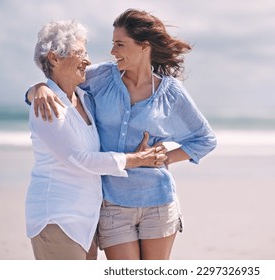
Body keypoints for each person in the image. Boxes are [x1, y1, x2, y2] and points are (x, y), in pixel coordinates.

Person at [26, 9, 217, 260]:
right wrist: (36, 88)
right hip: (113, 204)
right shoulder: (101, 77)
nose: (113, 51)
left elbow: (205, 139)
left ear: (144, 46)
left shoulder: (171, 92)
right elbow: (60, 80)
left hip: (158, 200)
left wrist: (163, 158)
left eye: (119, 44)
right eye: (112, 44)